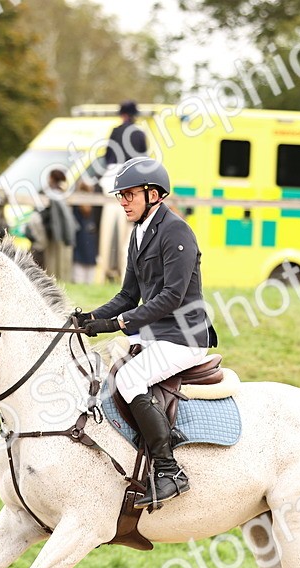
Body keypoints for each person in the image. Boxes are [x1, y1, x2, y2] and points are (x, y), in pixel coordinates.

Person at [77, 157, 217, 510]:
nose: (122, 201)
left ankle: (170, 472)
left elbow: (172, 295)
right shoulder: (138, 233)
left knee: (130, 380)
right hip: (154, 335)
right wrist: (91, 318)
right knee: (98, 370)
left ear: (153, 194)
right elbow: (128, 295)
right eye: (120, 195)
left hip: (183, 336)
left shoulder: (177, 231)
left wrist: (121, 324)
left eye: (128, 194)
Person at [29, 169, 76, 282]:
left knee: (52, 260)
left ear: (51, 178)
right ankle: (61, 279)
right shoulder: (65, 192)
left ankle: (54, 279)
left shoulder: (49, 192)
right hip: (61, 231)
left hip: (53, 230)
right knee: (61, 261)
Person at [71, 178, 101, 284]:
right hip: (83, 247)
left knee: (84, 277)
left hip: (86, 247)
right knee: (83, 277)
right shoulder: (77, 207)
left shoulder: (94, 207)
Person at [104, 100, 148, 167]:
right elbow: (144, 157)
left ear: (124, 115)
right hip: (133, 170)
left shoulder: (116, 131)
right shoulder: (139, 133)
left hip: (114, 170)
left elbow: (108, 155)